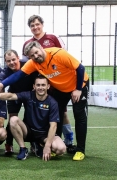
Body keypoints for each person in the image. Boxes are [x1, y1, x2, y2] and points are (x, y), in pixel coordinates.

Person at [0, 41, 89, 161]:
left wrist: (78, 89)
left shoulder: (58, 54)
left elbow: (80, 68)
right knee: (57, 114)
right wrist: (0, 85)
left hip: (78, 85)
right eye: (32, 56)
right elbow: (17, 75)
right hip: (61, 89)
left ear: (41, 48)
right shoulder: (33, 63)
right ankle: (52, 144)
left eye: (36, 53)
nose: (36, 56)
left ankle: (80, 150)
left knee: (79, 115)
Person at [22, 15, 75, 153]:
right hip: (38, 84)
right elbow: (26, 66)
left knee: (62, 113)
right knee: (34, 111)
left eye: (37, 24)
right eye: (32, 25)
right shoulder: (27, 43)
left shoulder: (52, 38)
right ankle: (35, 142)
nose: (35, 27)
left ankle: (68, 140)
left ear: (42, 24)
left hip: (55, 84)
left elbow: (63, 56)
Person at [0, 75, 66, 161]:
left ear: (48, 86)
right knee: (13, 119)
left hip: (44, 134)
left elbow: (53, 126)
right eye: (38, 85)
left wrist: (47, 146)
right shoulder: (29, 95)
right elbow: (11, 96)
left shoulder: (53, 103)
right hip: (28, 131)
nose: (40, 87)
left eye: (43, 85)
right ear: (34, 86)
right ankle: (23, 149)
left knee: (61, 149)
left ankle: (39, 145)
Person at [0, 50, 38, 155]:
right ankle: (9, 144)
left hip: (29, 94)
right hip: (14, 95)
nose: (12, 62)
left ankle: (33, 143)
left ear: (18, 58)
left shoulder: (28, 63)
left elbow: (38, 74)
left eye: (13, 59)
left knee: (31, 117)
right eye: (8, 61)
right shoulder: (5, 71)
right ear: (6, 62)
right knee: (12, 118)